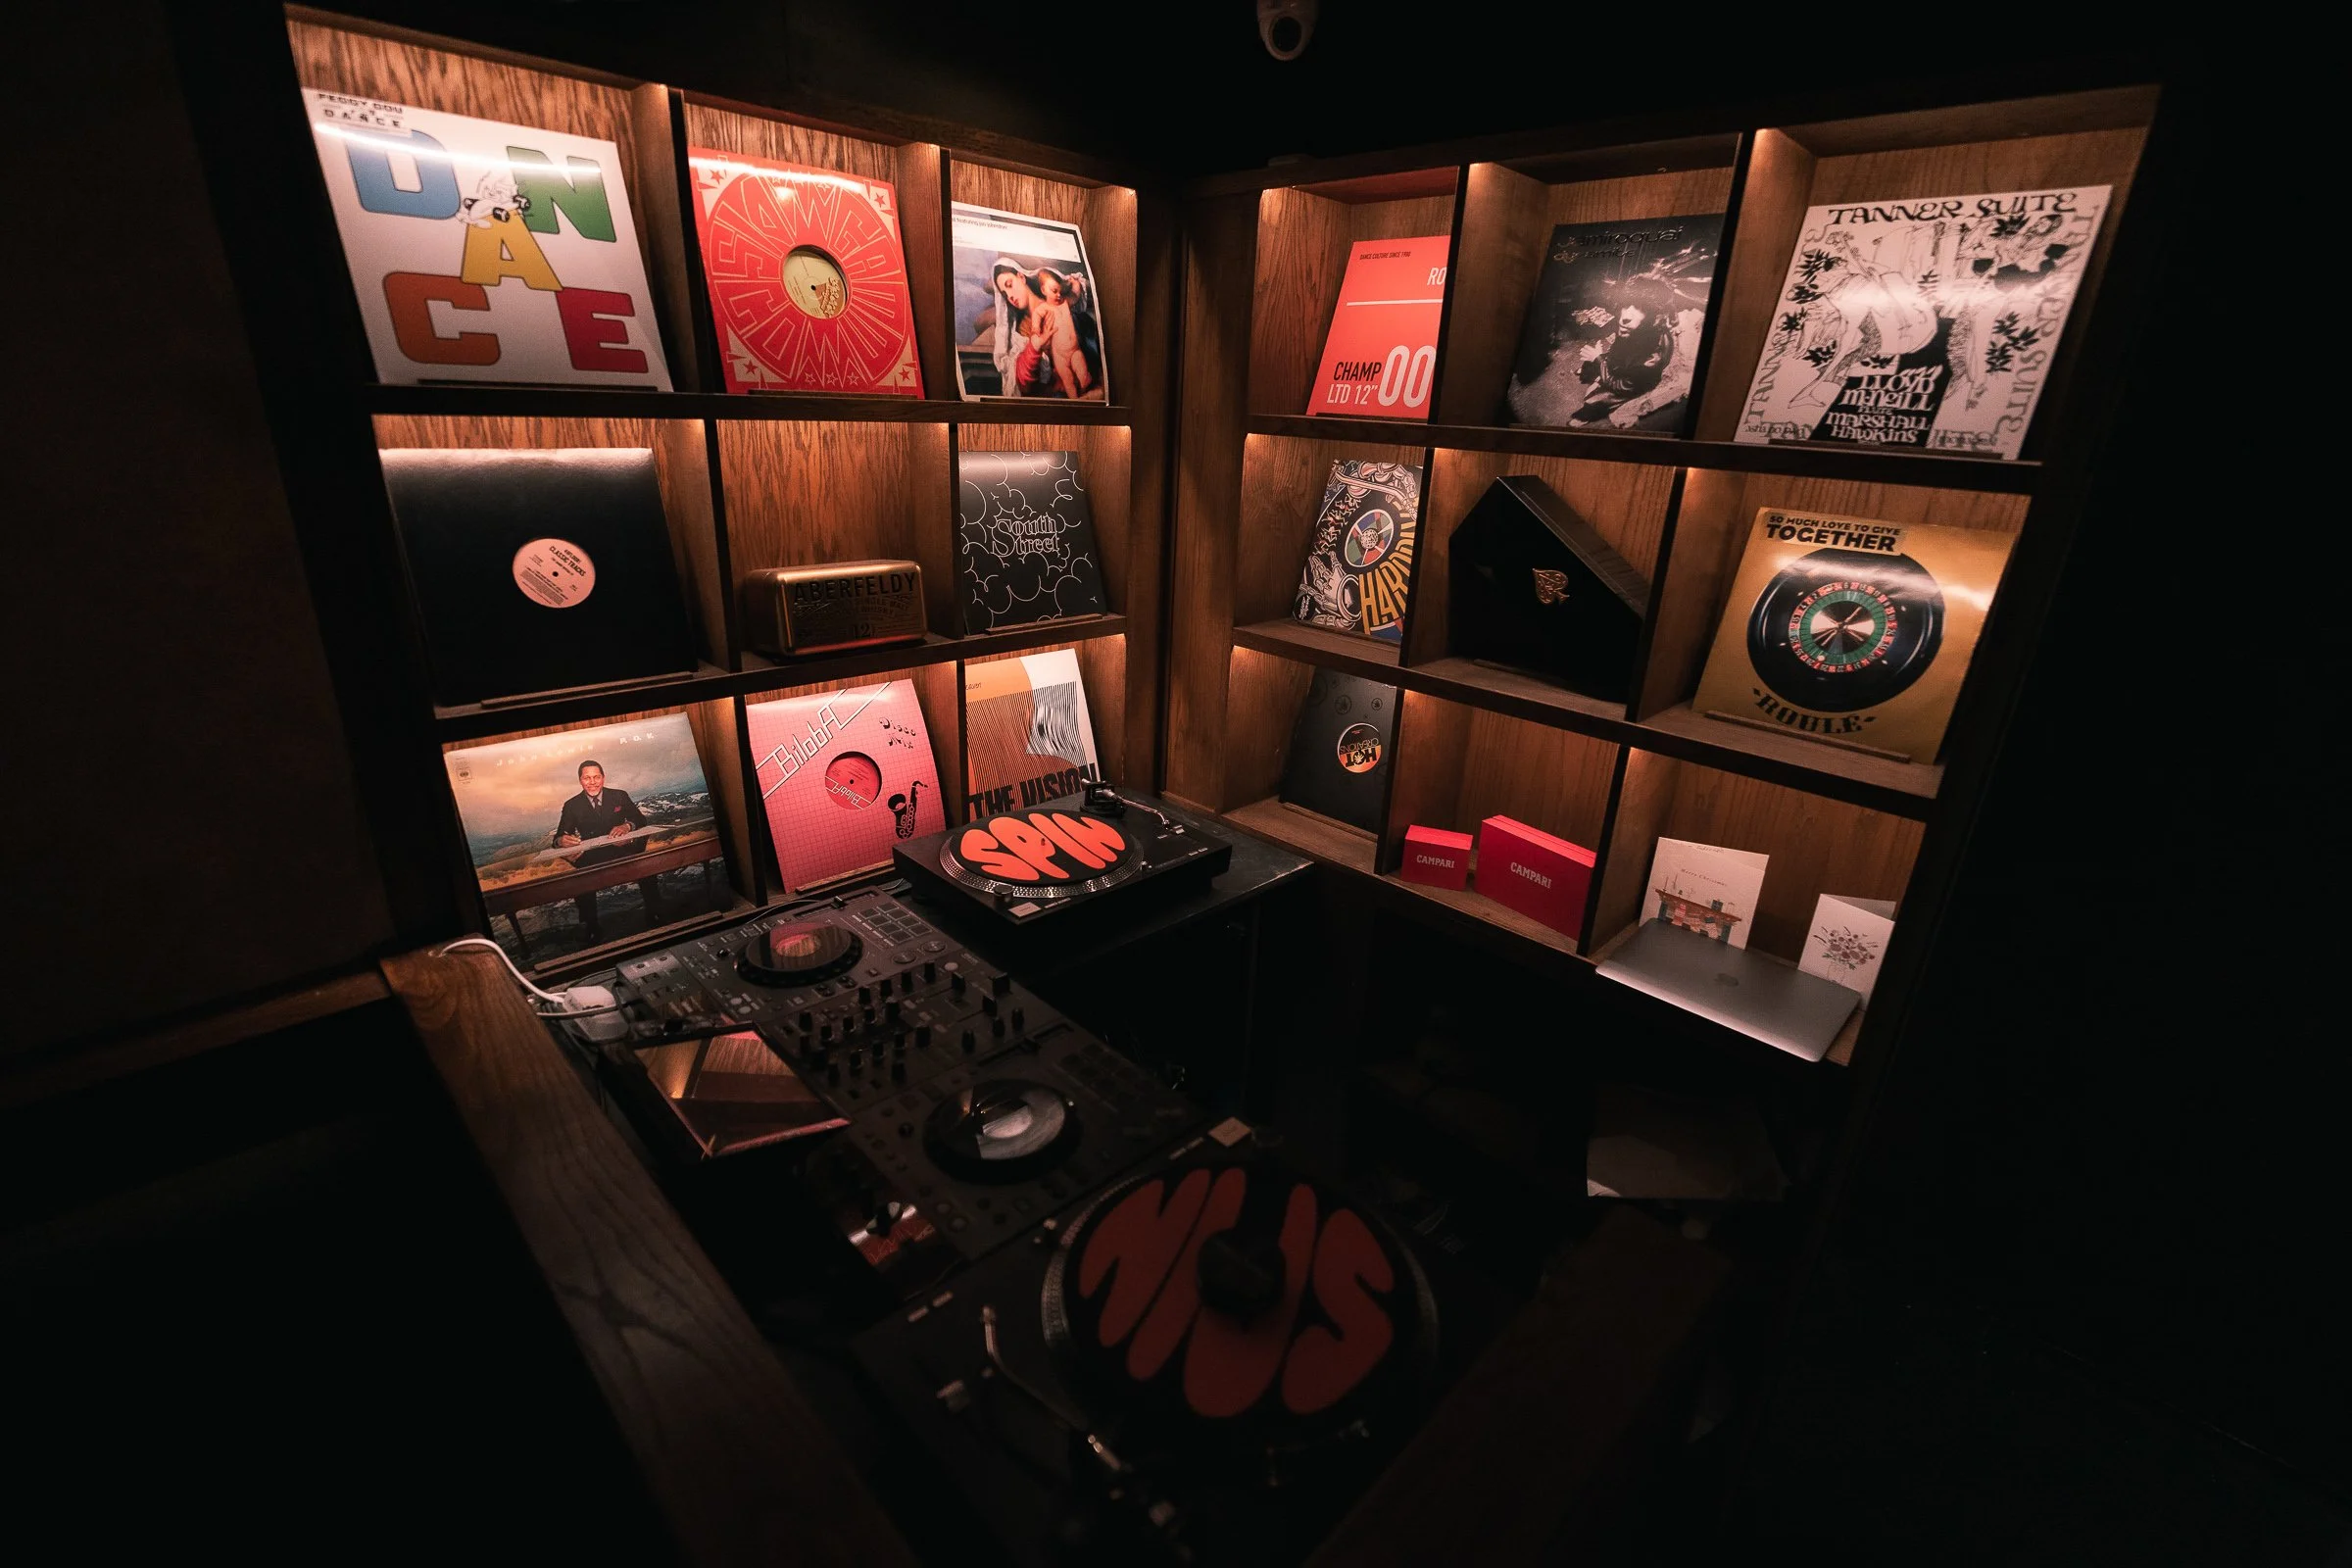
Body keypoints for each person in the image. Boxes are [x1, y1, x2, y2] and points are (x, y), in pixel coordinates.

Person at [552, 760, 662, 941]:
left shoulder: (619, 796)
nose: (592, 782)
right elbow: (557, 837)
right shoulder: (572, 805)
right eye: (587, 778)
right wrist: (561, 841)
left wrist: (627, 826)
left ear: (603, 778)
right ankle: (592, 925)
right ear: (580, 780)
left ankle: (654, 911)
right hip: (591, 857)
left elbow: (640, 819)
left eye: (596, 777)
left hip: (623, 850)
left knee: (645, 868)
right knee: (582, 880)